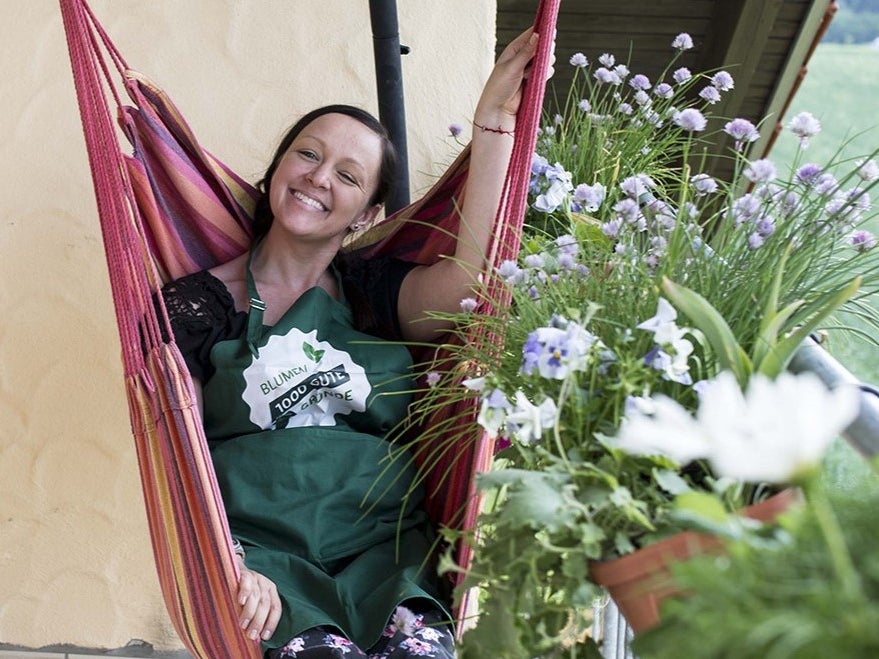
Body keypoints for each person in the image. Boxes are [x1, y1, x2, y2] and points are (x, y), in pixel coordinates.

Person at [161, 28, 546, 658]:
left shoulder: (373, 293)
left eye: (347, 174)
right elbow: (182, 459)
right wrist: (228, 563)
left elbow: (473, 282)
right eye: (307, 155)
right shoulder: (199, 305)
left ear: (366, 214)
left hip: (387, 558)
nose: (318, 178)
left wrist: (495, 124)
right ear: (276, 169)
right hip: (269, 567)